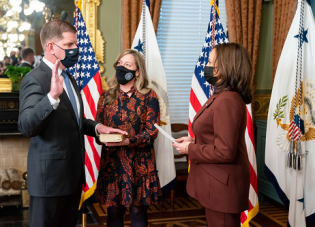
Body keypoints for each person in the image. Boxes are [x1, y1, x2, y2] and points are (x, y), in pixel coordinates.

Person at [18, 20, 127, 227]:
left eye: (75, 45)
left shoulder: (69, 78)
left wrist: (97, 128)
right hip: (49, 182)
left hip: (73, 179)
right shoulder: (34, 79)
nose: (75, 50)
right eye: (69, 45)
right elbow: (26, 126)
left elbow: (74, 120)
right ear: (50, 47)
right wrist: (51, 97)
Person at [173, 43, 252, 227]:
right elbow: (218, 136)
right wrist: (194, 140)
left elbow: (224, 152)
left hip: (223, 187)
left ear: (225, 66)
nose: (206, 66)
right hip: (216, 183)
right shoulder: (222, 95)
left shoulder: (228, 100)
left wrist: (190, 149)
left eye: (210, 62)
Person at [95, 49, 162, 227]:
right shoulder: (106, 97)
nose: (121, 68)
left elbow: (151, 132)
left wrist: (128, 141)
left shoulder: (149, 96)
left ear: (137, 71)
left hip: (139, 165)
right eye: (119, 64)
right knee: (114, 213)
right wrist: (103, 137)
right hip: (113, 164)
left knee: (138, 212)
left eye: (127, 65)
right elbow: (97, 129)